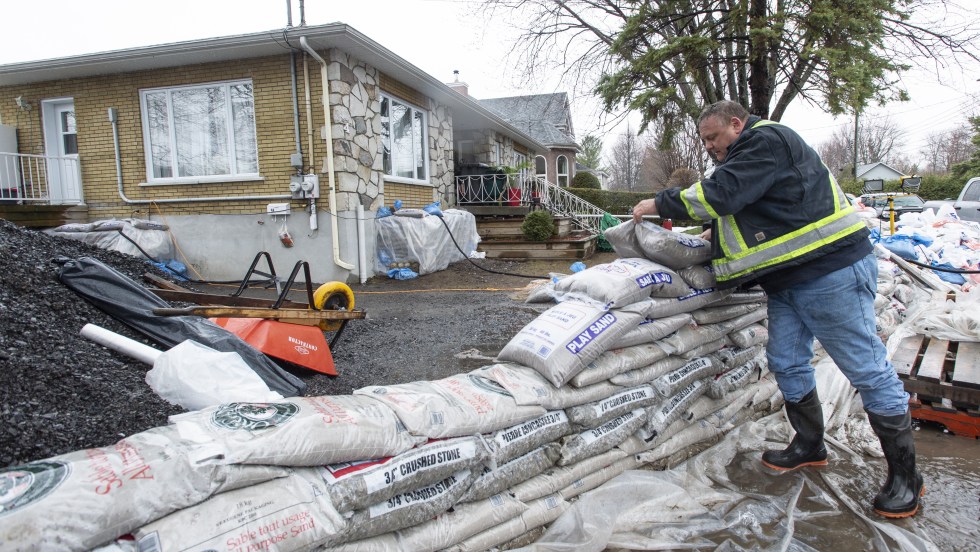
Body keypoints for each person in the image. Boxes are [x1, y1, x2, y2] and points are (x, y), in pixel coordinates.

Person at [631, 100, 923, 518]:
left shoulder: (765, 140)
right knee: (786, 361)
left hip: (830, 272)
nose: (710, 147)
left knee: (866, 368)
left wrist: (658, 204)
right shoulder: (751, 154)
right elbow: (756, 208)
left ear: (736, 124)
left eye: (713, 137)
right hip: (787, 279)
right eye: (705, 141)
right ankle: (809, 444)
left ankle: (906, 477)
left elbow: (724, 193)